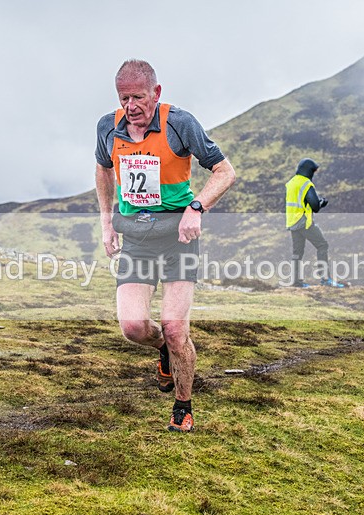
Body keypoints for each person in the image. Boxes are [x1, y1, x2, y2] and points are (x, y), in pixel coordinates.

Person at [95, 59, 236, 432]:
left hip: (178, 239)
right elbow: (103, 168)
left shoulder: (181, 124)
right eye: (124, 98)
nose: (131, 106)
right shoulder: (108, 128)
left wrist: (196, 207)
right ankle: (162, 351)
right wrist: (107, 221)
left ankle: (182, 406)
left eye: (138, 97)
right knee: (133, 327)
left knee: (175, 327)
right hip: (136, 240)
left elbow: (225, 172)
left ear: (156, 93)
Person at [285, 158, 345, 288]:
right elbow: (315, 206)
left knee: (297, 252)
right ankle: (325, 280)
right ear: (308, 171)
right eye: (313, 171)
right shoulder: (306, 184)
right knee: (322, 245)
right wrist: (322, 203)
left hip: (292, 222)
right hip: (304, 222)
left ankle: (296, 282)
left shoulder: (291, 183)